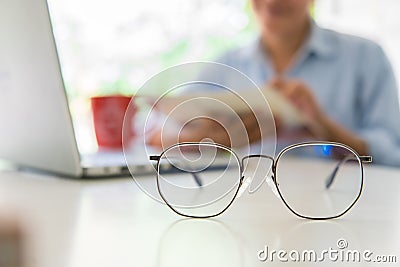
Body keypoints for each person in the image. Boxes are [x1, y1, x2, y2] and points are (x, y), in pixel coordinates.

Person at [148, 0, 400, 166]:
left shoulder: (366, 58)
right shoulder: (225, 65)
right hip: (245, 207)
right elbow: (157, 134)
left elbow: (390, 152)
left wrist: (324, 127)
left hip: (344, 208)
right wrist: (213, 139)